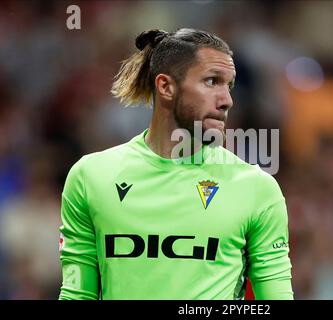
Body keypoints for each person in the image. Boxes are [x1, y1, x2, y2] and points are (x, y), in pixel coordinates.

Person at [58, 28, 293, 300]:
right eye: (211, 81)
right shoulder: (91, 177)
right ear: (166, 87)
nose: (227, 100)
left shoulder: (257, 189)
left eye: (228, 86)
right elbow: (76, 295)